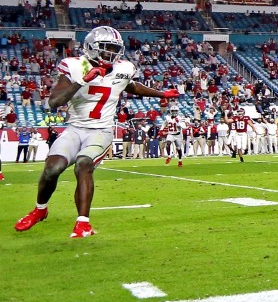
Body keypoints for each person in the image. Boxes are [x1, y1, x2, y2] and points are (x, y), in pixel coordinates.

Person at [14, 26, 180, 238]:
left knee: (84, 164)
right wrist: (83, 80)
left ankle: (83, 223)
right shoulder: (74, 66)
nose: (111, 53)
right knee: (52, 169)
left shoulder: (123, 68)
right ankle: (40, 209)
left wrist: (161, 93)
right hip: (75, 128)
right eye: (106, 47)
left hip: (100, 131)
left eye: (114, 48)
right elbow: (54, 101)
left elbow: (131, 86)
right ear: (91, 48)